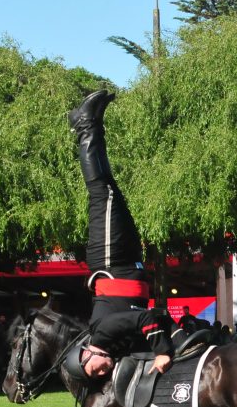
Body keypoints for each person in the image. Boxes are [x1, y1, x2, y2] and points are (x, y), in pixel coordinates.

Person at [64, 90, 183, 378]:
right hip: (128, 262)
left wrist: (163, 351)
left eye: (91, 371)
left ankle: (84, 124)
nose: (100, 373)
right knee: (111, 189)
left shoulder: (102, 333)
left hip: (110, 261)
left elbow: (143, 317)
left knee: (101, 190)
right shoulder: (116, 345)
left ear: (87, 353)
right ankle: (93, 123)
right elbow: (152, 318)